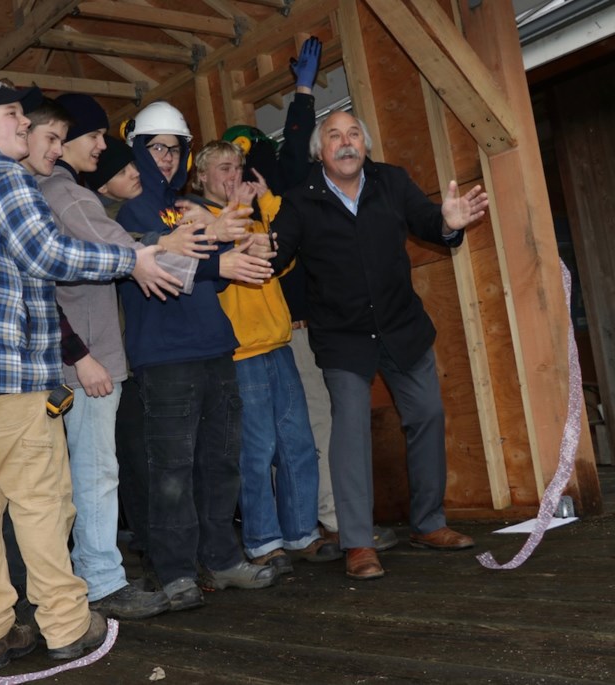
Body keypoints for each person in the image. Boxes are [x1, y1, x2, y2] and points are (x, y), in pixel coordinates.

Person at [0, 81, 181, 668]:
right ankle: (65, 625)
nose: (24, 130)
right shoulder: (4, 175)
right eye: (13, 118)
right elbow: (48, 253)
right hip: (2, 370)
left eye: (28, 123)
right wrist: (132, 257)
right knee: (43, 501)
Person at [269, 109, 488, 580]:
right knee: (350, 431)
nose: (346, 143)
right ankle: (357, 543)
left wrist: (449, 223)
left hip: (402, 327)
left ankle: (429, 524)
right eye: (334, 136)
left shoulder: (391, 181)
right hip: (344, 337)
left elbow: (431, 222)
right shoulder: (299, 201)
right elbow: (276, 254)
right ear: (318, 150)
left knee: (427, 414)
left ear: (364, 145)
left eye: (353, 134)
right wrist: (254, 251)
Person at [30, 93, 196, 620]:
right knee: (96, 471)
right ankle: (101, 579)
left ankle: (77, 580)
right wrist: (181, 243)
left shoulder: (59, 192)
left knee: (70, 476)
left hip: (74, 355)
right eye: (94, 137)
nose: (104, 147)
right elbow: (120, 251)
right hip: (87, 358)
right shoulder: (67, 194)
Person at [116, 100, 278, 611]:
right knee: (170, 472)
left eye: (174, 148)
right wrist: (219, 258)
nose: (165, 157)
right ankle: (176, 572)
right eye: (156, 147)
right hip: (163, 357)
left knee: (220, 462)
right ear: (139, 150)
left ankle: (224, 560)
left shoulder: (187, 204)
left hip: (214, 345)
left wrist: (245, 249)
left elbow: (209, 253)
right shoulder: (131, 210)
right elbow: (161, 260)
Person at [186, 140, 342, 575]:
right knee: (257, 450)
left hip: (278, 345)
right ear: (201, 177)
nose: (232, 174)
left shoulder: (252, 220)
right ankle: (263, 540)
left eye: (237, 167)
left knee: (297, 444)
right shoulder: (197, 219)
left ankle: (301, 533)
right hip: (239, 353)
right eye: (221, 167)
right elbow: (211, 259)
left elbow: (282, 261)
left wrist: (269, 200)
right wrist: (239, 215)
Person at [274, 39, 398, 553]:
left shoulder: (300, 194)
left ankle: (342, 524)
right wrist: (302, 92)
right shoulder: (283, 203)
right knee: (310, 431)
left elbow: (300, 150)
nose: (239, 174)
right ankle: (329, 526)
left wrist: (304, 90)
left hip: (316, 330)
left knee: (331, 426)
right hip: (287, 334)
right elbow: (296, 154)